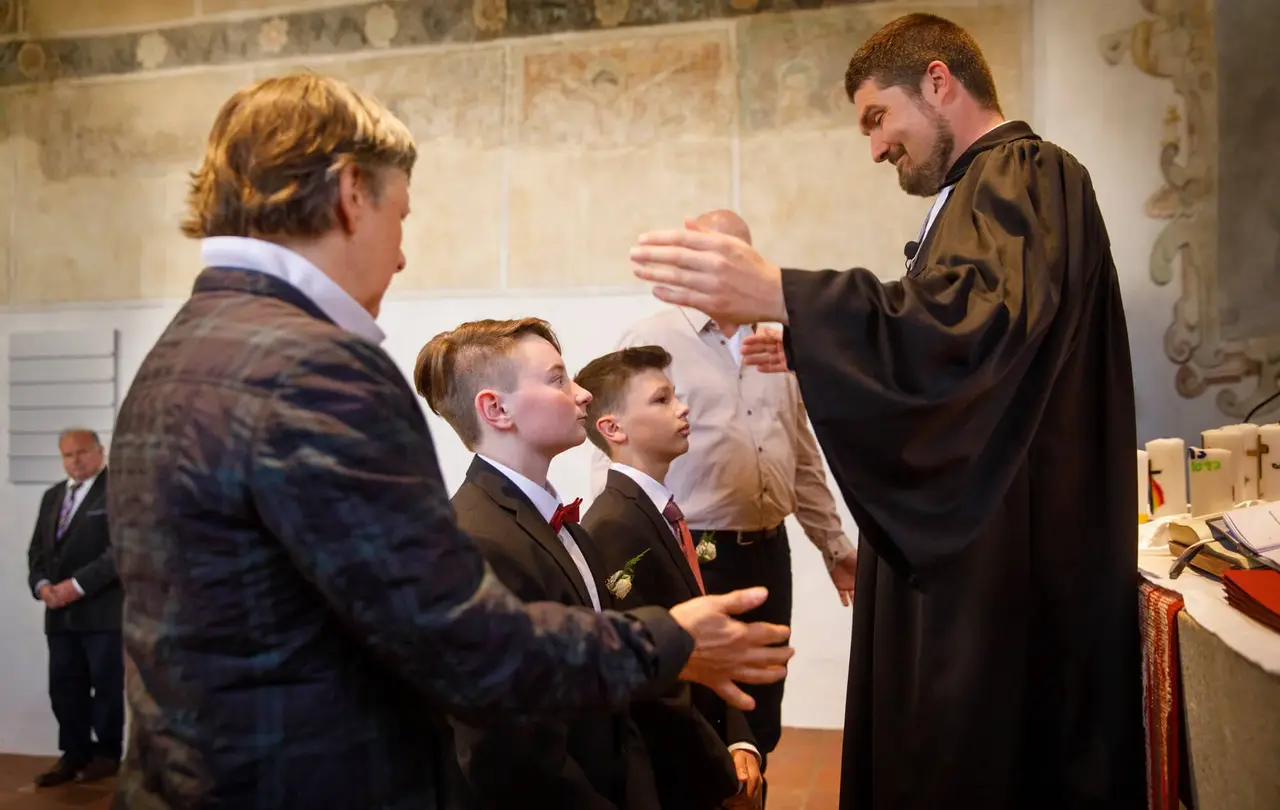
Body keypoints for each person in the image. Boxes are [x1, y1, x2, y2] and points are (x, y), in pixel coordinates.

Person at [107, 72, 792, 810]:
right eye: (400, 218)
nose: (400, 259)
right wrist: (668, 642)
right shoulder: (319, 368)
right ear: (350, 194)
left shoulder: (178, 349)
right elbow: (460, 644)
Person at [627, 12, 1146, 810]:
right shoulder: (984, 188)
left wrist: (783, 293)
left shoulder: (1023, 171)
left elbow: (972, 330)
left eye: (878, 118)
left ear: (939, 81)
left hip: (1010, 563)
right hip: (996, 546)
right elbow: (956, 343)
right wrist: (813, 344)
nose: (874, 147)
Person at [592, 209, 857, 759]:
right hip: (695, 552)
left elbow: (800, 450)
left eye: (740, 257)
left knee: (763, 703)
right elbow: (613, 448)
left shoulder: (778, 343)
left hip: (768, 549)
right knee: (703, 712)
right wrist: (607, 552)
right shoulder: (653, 340)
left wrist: (833, 546)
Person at [414, 317, 661, 810]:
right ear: (496, 409)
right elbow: (507, 755)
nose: (583, 393)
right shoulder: (479, 541)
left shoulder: (564, 524)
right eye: (557, 379)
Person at [578, 346, 763, 810]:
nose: (682, 408)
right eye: (661, 400)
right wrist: (722, 771)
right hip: (680, 774)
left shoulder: (662, 513)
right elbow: (654, 682)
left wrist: (741, 740)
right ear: (613, 428)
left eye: (676, 396)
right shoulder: (614, 526)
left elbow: (706, 642)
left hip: (712, 741)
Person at [25, 429, 122, 787]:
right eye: (67, 455)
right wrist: (42, 586)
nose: (75, 460)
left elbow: (119, 552)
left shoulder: (116, 491)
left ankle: (107, 753)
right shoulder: (53, 496)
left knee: (106, 686)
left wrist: (76, 586)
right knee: (65, 686)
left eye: (82, 452)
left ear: (100, 452)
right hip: (59, 613)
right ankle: (73, 753)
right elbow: (37, 551)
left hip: (102, 611)